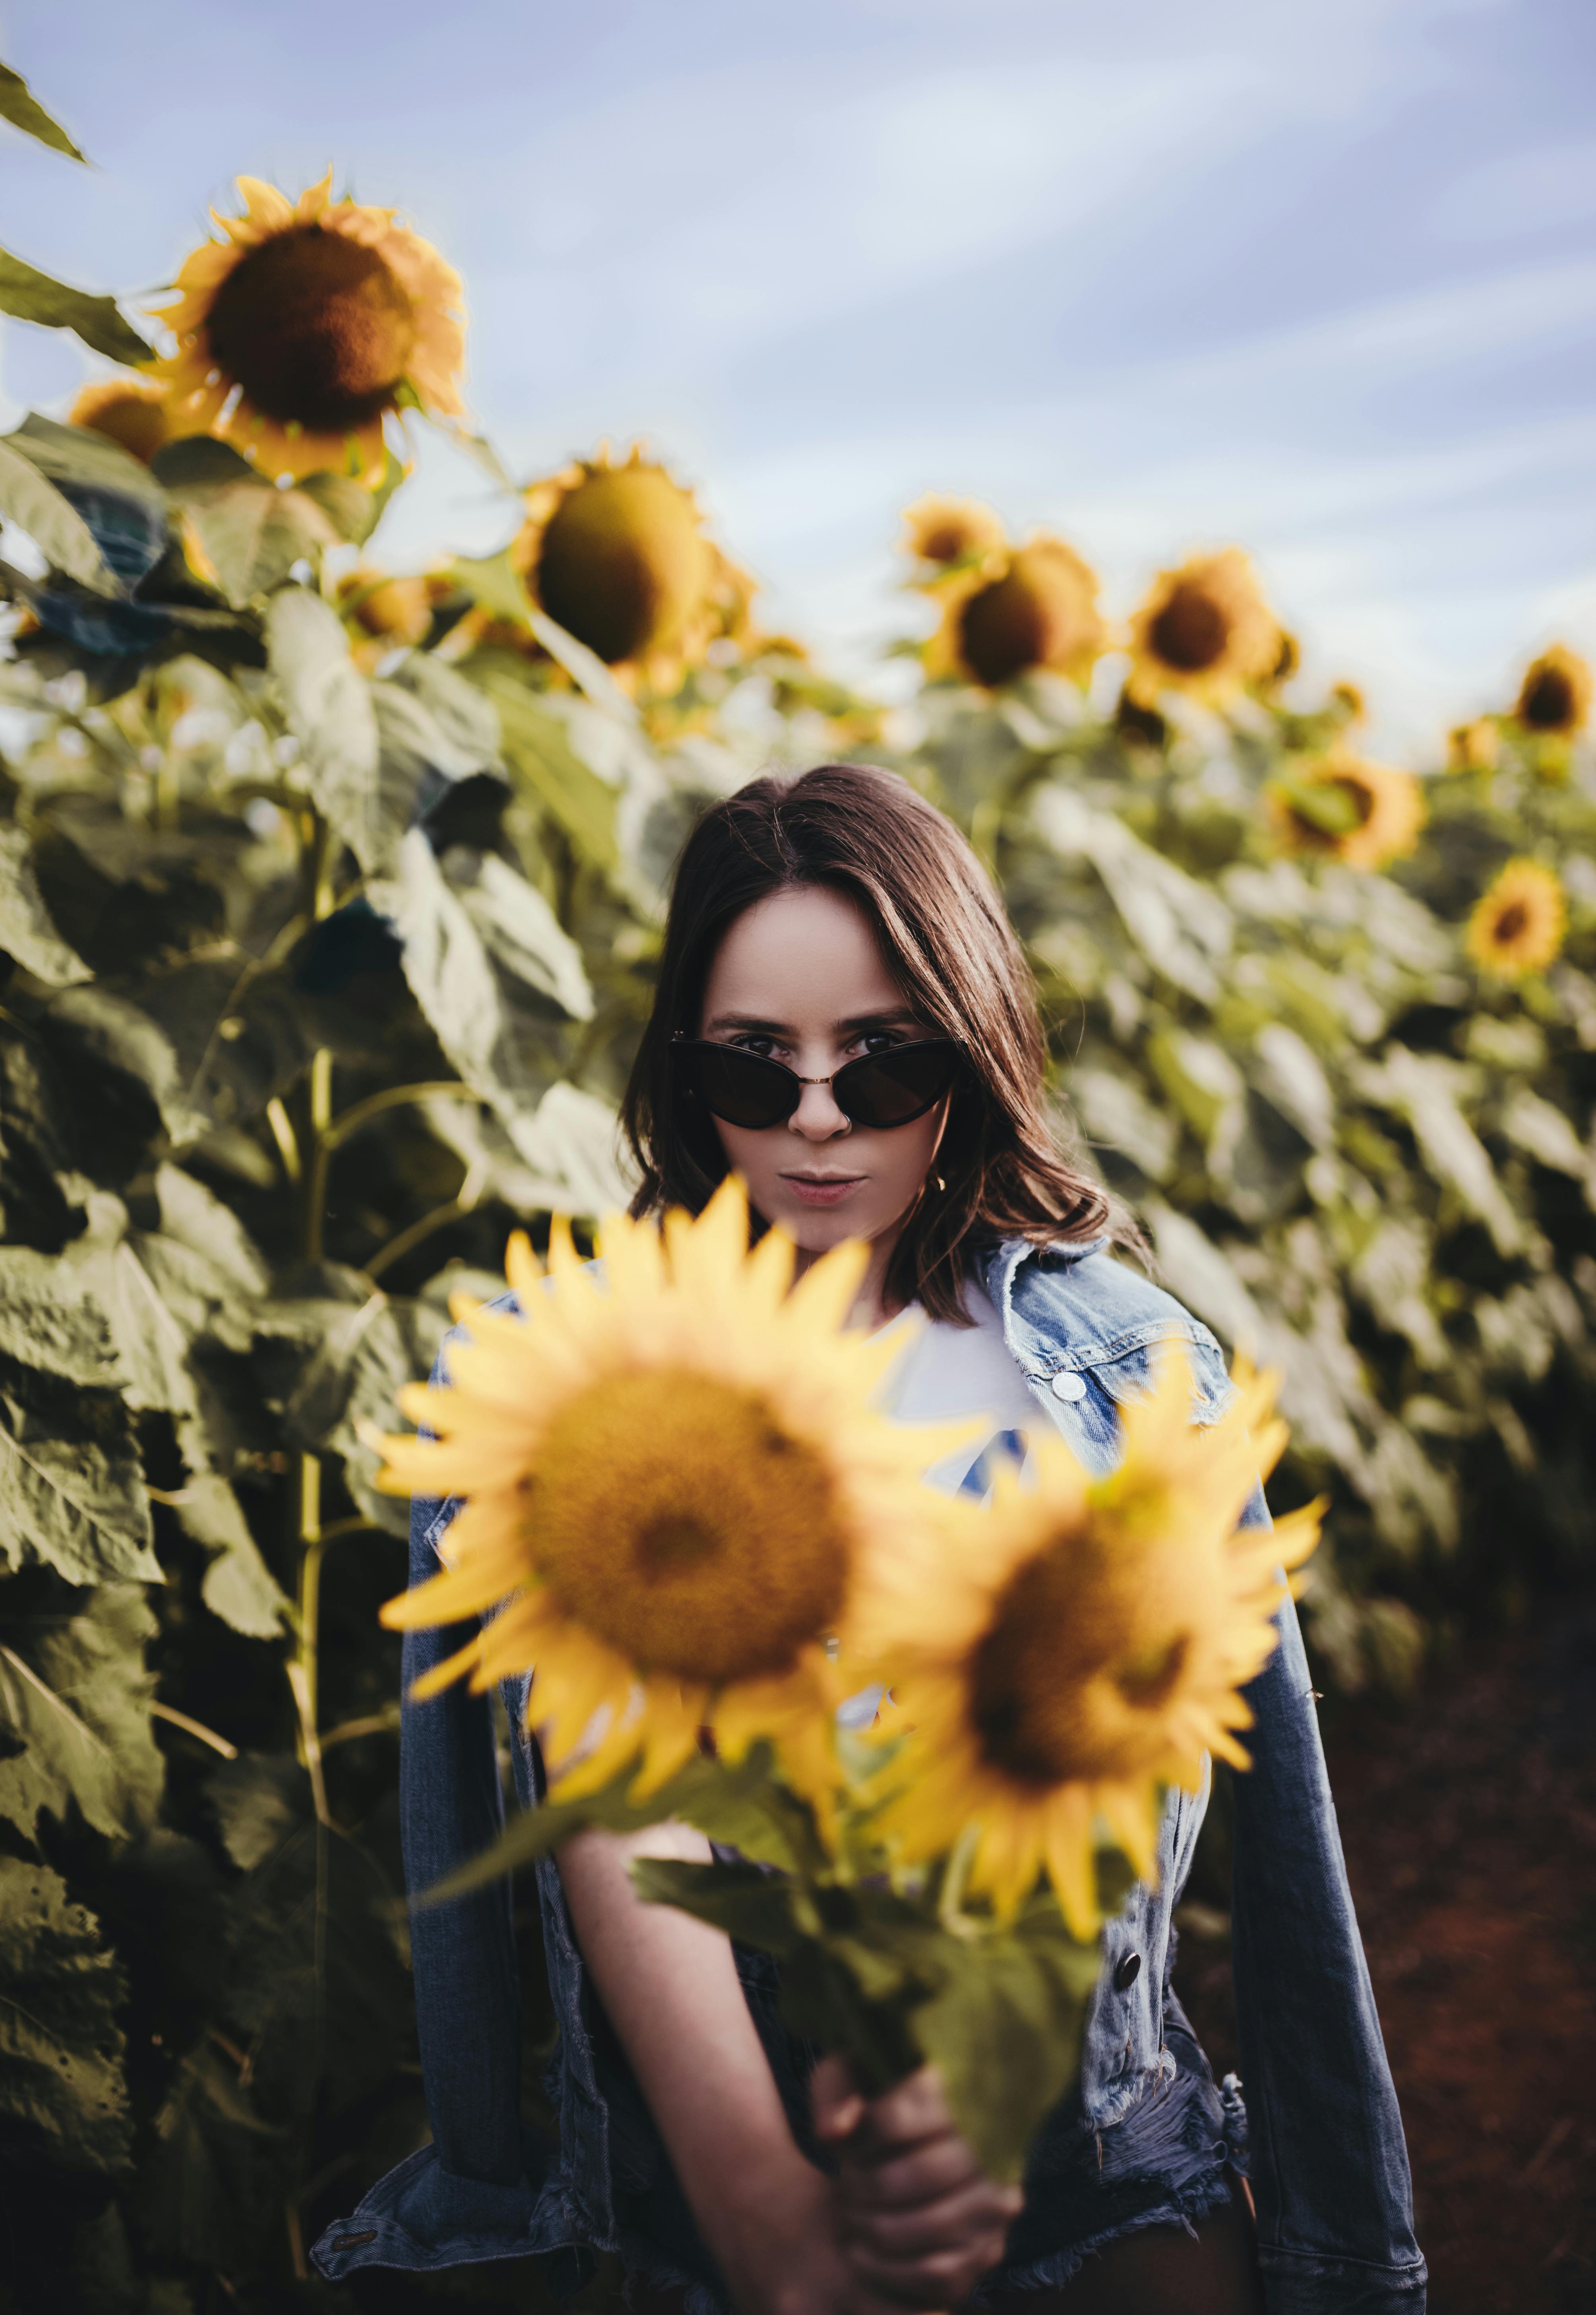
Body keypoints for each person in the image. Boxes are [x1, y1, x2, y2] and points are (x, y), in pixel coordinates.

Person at [313, 766, 1426, 2315]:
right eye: (755, 1070)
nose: (818, 1118)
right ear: (684, 1073)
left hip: (1095, 2189)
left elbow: (1176, 1811)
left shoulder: (1126, 1374)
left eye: (882, 1064)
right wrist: (764, 2197)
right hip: (703, 2210)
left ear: (967, 1052)